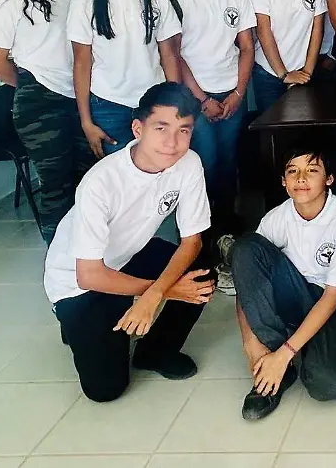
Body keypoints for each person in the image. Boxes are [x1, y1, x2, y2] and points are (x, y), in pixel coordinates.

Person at [42, 82, 214, 403]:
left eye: (183, 130)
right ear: (138, 129)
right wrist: (162, 291)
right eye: (161, 128)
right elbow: (88, 275)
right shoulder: (100, 182)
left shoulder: (188, 163)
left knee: (201, 271)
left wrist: (155, 293)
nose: (172, 142)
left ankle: (155, 351)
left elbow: (192, 241)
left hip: (127, 257)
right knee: (105, 390)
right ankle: (74, 322)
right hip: (78, 283)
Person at [0, 0, 93, 244]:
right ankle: (61, 264)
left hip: (83, 98)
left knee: (89, 181)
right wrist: (33, 83)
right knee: (56, 186)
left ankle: (89, 257)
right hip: (40, 103)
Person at [231, 146, 336, 420]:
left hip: (334, 304)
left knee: (327, 384)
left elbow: (332, 297)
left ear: (329, 179)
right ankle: (272, 366)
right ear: (283, 181)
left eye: (312, 170)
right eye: (293, 171)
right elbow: (248, 279)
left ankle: (288, 354)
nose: (301, 178)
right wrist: (252, 346)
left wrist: (285, 353)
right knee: (244, 248)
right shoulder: (276, 218)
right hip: (292, 292)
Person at [166, 0, 255, 294]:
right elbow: (174, 52)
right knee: (202, 167)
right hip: (194, 97)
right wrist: (202, 99)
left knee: (228, 166)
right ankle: (199, 247)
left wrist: (237, 93)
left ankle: (226, 237)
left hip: (231, 93)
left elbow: (246, 47)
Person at [68, 0, 183, 158]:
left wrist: (176, 105)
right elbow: (81, 62)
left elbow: (169, 56)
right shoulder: (85, 1)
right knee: (120, 174)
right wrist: (86, 121)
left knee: (158, 167)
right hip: (108, 105)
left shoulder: (158, 1)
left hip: (155, 103)